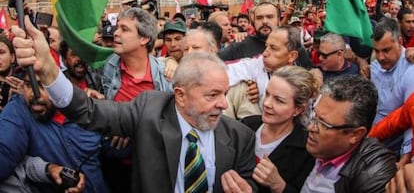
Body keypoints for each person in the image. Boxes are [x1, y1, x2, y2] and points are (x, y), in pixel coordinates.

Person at [12, 20, 257, 193]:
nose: (223, 104)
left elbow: (251, 185)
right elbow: (89, 111)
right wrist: (49, 72)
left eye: (224, 93)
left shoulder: (240, 138)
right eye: (212, 95)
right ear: (180, 95)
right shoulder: (150, 110)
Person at [100, 7, 172, 192]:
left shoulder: (166, 77)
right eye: (117, 28)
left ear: (144, 38)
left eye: (124, 29)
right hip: (113, 166)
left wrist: (130, 129)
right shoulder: (105, 67)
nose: (116, 33)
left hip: (153, 168)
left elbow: (171, 123)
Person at [0, 70, 107, 193]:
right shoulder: (20, 110)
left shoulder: (85, 111)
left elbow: (117, 149)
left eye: (43, 86)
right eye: (29, 85)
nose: (34, 94)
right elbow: (4, 155)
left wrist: (113, 121)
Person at [301, 75, 397, 192]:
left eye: (323, 124)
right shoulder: (311, 141)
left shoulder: (371, 173)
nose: (311, 127)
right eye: (313, 116)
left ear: (355, 135)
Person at [243, 66, 317, 193]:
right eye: (267, 94)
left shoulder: (306, 150)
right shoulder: (246, 125)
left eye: (279, 101)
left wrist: (278, 185)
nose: (266, 103)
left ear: (298, 109)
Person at [371, 17, 414, 163]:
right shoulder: (375, 67)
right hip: (373, 138)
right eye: (376, 51)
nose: (381, 57)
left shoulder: (410, 70)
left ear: (400, 42)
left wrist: (404, 159)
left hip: (395, 145)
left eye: (386, 50)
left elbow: (410, 119)